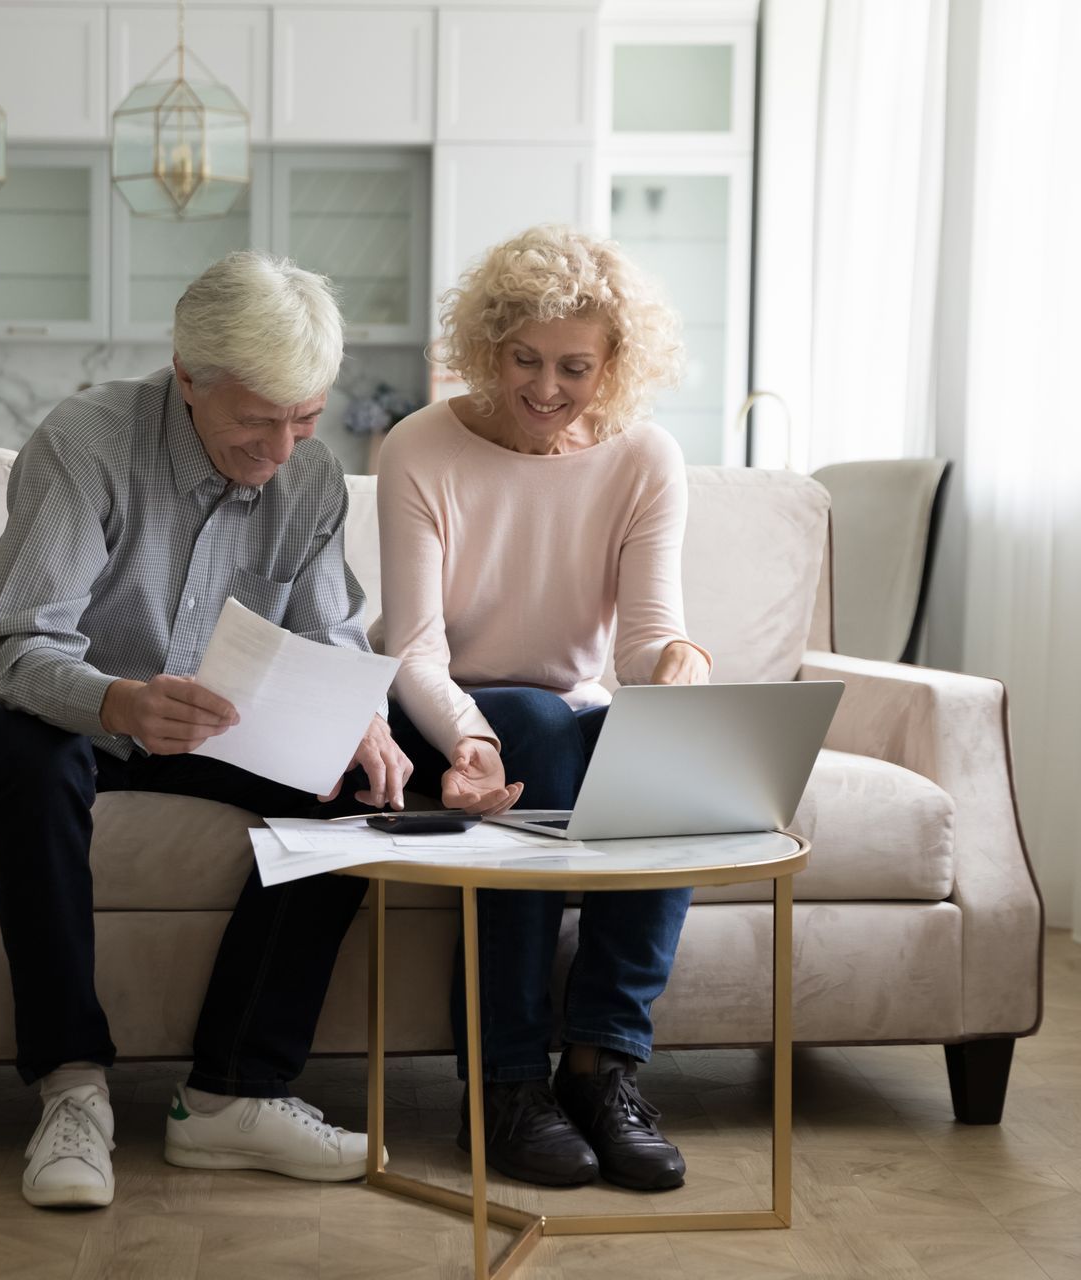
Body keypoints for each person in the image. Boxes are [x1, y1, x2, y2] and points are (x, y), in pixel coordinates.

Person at [0, 250, 413, 1210]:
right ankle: (73, 1093)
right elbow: (20, 648)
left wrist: (363, 722)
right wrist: (120, 702)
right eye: (256, 420)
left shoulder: (308, 478)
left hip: (194, 728)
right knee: (42, 761)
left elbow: (331, 637)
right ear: (188, 376)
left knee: (358, 784)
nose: (280, 448)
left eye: (303, 419)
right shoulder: (88, 441)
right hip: (9, 711)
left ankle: (231, 1095)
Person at [376, 225, 713, 1191]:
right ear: (487, 348)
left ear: (614, 365)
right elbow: (413, 652)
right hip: (444, 709)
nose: (544, 387)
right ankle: (506, 1083)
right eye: (523, 358)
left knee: (643, 739)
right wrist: (471, 734)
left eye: (574, 366)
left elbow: (646, 642)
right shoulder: (421, 448)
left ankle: (604, 1067)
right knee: (535, 720)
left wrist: (681, 667)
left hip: (558, 718)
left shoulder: (646, 459)